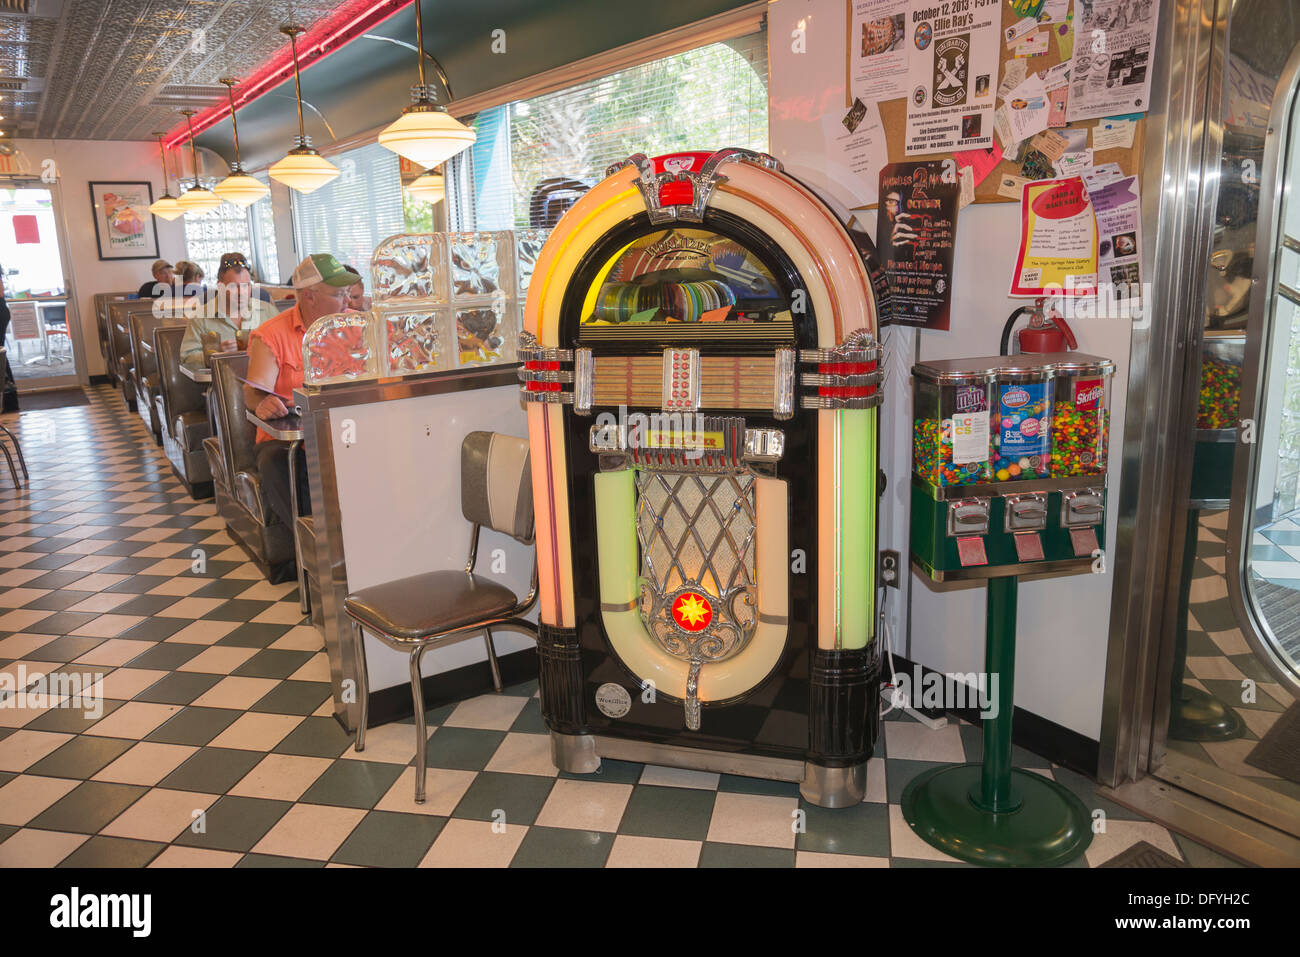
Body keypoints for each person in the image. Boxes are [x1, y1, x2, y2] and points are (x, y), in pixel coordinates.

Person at [244, 254, 360, 534]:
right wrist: (263, 402)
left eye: (348, 293)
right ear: (309, 296)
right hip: (293, 441)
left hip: (347, 429)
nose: (347, 301)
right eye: (339, 295)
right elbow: (252, 392)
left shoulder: (358, 326)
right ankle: (316, 543)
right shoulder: (271, 334)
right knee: (275, 461)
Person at [179, 252, 274, 368]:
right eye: (233, 286)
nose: (241, 293)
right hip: (222, 379)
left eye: (246, 286)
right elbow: (187, 359)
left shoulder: (268, 311)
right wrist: (216, 353)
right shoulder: (200, 317)